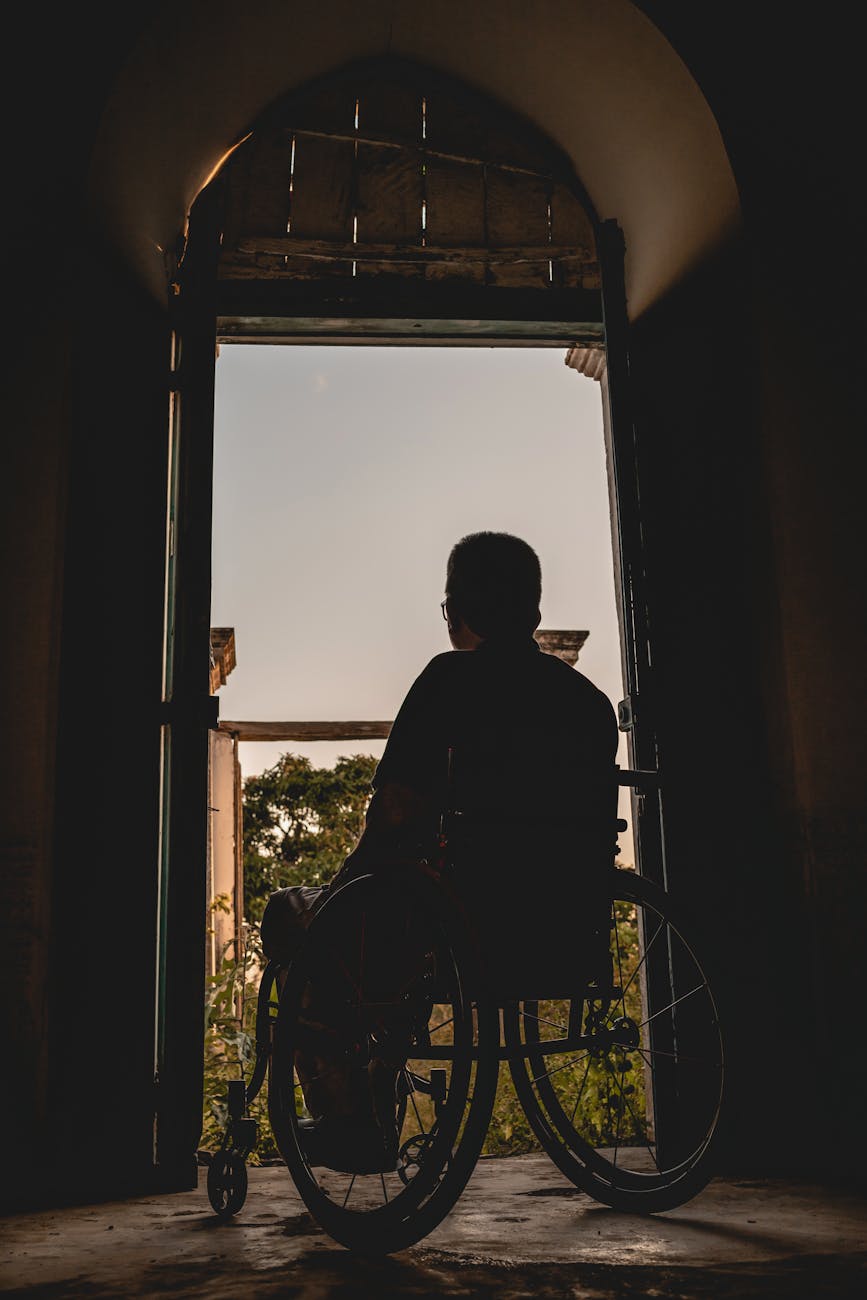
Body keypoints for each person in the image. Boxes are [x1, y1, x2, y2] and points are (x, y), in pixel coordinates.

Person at [262, 531, 619, 1171]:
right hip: (561, 924)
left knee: (293, 916)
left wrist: (342, 886)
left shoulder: (449, 681)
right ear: (534, 612)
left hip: (450, 924)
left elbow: (392, 814)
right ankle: (373, 1081)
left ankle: (350, 1116)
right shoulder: (589, 707)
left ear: (456, 609)